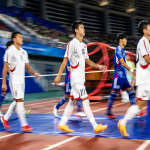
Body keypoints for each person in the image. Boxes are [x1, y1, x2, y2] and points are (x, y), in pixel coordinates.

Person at [54, 20, 107, 133]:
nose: (84, 29)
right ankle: (95, 126)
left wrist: (99, 66)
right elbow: (65, 61)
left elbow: (87, 61)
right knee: (85, 101)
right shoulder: (72, 44)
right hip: (76, 79)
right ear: (76, 30)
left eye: (84, 27)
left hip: (80, 79)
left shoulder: (84, 46)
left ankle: (62, 123)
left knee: (72, 101)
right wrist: (58, 76)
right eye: (82, 27)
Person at [1, 32, 40, 132]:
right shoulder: (10, 51)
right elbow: (5, 68)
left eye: (21, 37)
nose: (21, 39)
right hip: (14, 81)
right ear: (14, 39)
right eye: (19, 37)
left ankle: (5, 119)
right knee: (19, 102)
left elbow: (27, 67)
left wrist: (35, 73)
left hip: (22, 81)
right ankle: (24, 125)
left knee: (16, 101)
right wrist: (4, 83)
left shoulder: (24, 52)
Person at [118, 20, 150, 137]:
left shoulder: (147, 42)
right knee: (140, 106)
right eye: (149, 28)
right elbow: (147, 59)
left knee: (142, 105)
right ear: (144, 30)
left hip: (147, 77)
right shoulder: (143, 42)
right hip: (144, 78)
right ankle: (123, 122)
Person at [106, 33, 136, 119]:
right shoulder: (118, 49)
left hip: (124, 76)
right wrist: (131, 70)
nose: (126, 41)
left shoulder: (122, 50)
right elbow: (122, 63)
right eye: (125, 39)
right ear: (120, 40)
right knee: (114, 94)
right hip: (118, 75)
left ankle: (135, 110)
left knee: (130, 92)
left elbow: (124, 63)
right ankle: (108, 112)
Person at [0, 41, 31, 117]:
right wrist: (11, 73)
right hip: (9, 79)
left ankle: (21, 111)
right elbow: (6, 67)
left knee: (18, 98)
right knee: (4, 94)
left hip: (15, 80)